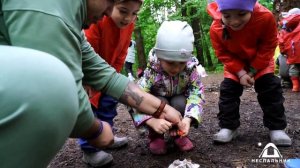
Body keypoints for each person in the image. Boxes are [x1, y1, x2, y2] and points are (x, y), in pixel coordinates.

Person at [0, 0, 184, 167]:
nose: (110, 12)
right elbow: (52, 85)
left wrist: (162, 109)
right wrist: (94, 130)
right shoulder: (48, 8)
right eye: (110, 2)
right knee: (57, 82)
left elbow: (104, 74)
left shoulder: (71, 13)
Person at [207, 0, 292, 146]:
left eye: (241, 14)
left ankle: (277, 127)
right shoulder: (216, 28)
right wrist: (240, 72)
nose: (234, 21)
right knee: (228, 91)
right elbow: (222, 53)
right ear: (221, 13)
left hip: (260, 61)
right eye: (227, 16)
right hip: (235, 64)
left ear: (250, 8)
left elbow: (269, 46)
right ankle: (228, 126)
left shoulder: (265, 18)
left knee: (270, 88)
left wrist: (252, 71)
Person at [80, 0, 142, 166]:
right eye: (123, 11)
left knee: (109, 105)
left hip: (109, 73)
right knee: (90, 109)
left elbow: (122, 52)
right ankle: (90, 149)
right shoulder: (97, 20)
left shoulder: (128, 26)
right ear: (109, 6)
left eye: (134, 13)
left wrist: (113, 73)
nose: (128, 18)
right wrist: (87, 79)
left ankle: (107, 138)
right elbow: (87, 50)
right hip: (90, 74)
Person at [130, 21, 205, 155]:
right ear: (160, 57)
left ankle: (178, 133)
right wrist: (152, 121)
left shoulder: (190, 69)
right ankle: (156, 136)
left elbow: (196, 93)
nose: (176, 69)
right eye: (170, 63)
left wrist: (188, 119)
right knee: (156, 100)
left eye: (182, 63)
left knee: (180, 101)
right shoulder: (151, 72)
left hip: (178, 103)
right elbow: (136, 99)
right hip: (158, 106)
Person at [278, 8, 300, 92]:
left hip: (292, 53)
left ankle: (295, 86)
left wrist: (283, 51)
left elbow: (281, 41)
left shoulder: (285, 26)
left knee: (294, 68)